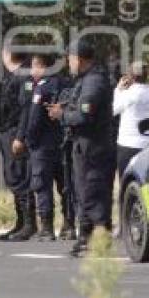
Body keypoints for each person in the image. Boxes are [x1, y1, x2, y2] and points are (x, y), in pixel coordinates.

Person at [49, 40, 115, 257]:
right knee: (83, 193)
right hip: (83, 146)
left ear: (80, 59)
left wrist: (62, 115)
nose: (68, 63)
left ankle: (99, 240)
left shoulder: (94, 82)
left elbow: (85, 115)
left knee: (94, 192)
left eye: (70, 59)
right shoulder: (84, 81)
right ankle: (85, 238)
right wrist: (65, 108)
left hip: (93, 147)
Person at [25, 52, 71, 241]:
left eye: (34, 66)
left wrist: (29, 139)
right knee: (65, 184)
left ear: (42, 67)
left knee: (42, 184)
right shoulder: (67, 84)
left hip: (43, 144)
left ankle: (46, 227)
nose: (32, 71)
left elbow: (35, 118)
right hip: (64, 141)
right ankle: (69, 225)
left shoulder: (41, 88)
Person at [0, 46, 36, 242]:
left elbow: (26, 110)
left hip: (15, 134)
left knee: (21, 177)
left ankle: (29, 224)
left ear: (8, 55)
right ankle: (20, 222)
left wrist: (20, 137)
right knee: (13, 178)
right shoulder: (10, 77)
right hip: (6, 132)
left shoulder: (24, 78)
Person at [113, 61, 149, 182]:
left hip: (128, 146)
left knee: (127, 183)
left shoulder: (127, 95)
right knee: (148, 183)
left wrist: (118, 90)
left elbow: (112, 110)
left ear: (130, 77)